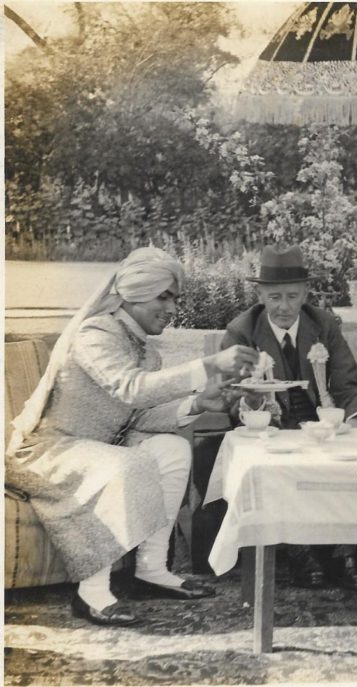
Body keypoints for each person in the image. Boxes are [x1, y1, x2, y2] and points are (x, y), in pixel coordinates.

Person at [5, 247, 259, 626]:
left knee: (172, 449)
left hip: (98, 448)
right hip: (48, 451)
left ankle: (151, 570)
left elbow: (139, 415)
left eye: (175, 297)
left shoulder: (145, 350)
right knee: (127, 462)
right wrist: (208, 365)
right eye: (164, 296)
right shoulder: (96, 334)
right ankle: (91, 595)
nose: (172, 308)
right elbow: (131, 388)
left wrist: (199, 403)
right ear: (134, 294)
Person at [222, 245, 357, 591]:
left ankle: (346, 551)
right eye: (274, 297)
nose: (285, 307)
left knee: (352, 464)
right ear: (259, 294)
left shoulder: (323, 325)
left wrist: (352, 423)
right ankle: (299, 551)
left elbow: (351, 385)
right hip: (271, 430)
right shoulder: (242, 331)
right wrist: (255, 404)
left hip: (322, 426)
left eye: (293, 296)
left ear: (306, 293)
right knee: (279, 469)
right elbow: (232, 400)